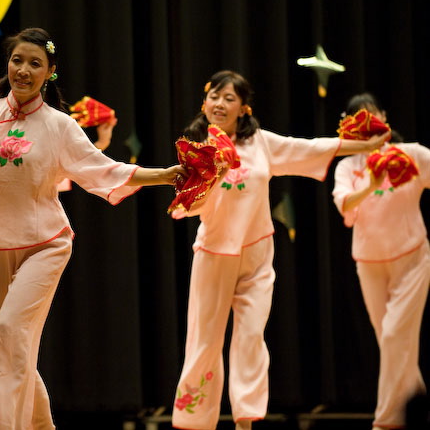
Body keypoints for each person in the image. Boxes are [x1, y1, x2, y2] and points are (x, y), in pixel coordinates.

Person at [0, 27, 187, 430]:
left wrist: (163, 175)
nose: (23, 70)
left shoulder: (59, 125)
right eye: (17, 60)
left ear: (49, 72)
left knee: (10, 330)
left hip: (46, 245)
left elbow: (104, 170)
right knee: (15, 346)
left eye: (34, 64)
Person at [170, 71, 390, 430]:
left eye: (229, 98)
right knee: (204, 342)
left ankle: (245, 422)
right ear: (204, 103)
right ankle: (194, 424)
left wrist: (362, 147)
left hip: (257, 253)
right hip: (214, 253)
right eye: (215, 97)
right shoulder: (195, 146)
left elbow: (310, 147)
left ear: (244, 107)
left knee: (251, 337)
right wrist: (214, 173)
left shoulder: (261, 143)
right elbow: (189, 207)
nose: (220, 104)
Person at [0, 116, 116, 429]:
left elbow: (59, 171)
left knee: (11, 350)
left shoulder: (15, 159)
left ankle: (8, 422)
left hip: (16, 268)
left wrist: (99, 144)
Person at [332, 93, 430, 430]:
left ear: (384, 118)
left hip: (412, 259)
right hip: (370, 263)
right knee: (393, 344)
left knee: (392, 338)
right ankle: (419, 408)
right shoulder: (347, 166)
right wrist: (371, 184)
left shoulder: (412, 154)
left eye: (372, 115)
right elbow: (344, 205)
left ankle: (386, 422)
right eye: (358, 119)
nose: (368, 124)